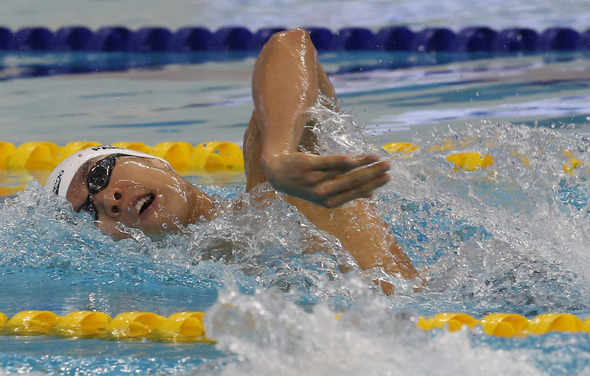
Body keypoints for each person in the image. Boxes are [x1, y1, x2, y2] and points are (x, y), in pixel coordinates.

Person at [45, 28, 418, 292]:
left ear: (158, 162)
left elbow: (290, 44)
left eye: (100, 176)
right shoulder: (188, 284)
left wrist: (279, 155)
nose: (107, 200)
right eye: (89, 213)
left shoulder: (273, 190)